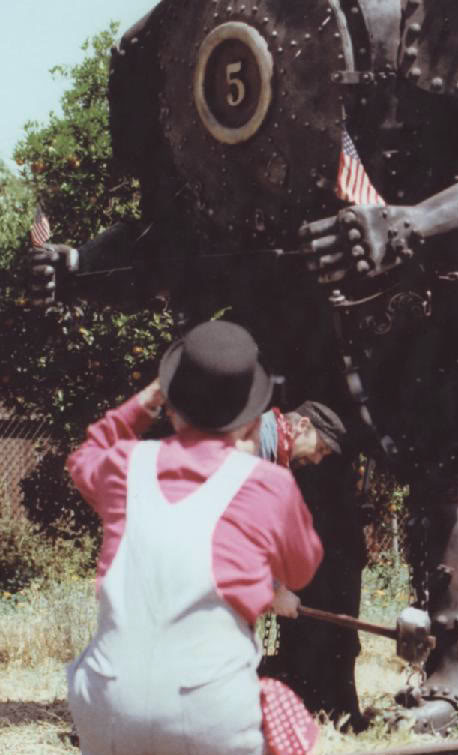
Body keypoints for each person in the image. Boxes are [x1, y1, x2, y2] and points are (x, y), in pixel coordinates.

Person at [66, 319, 324, 755]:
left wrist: (148, 397)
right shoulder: (268, 485)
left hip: (107, 708)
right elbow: (300, 569)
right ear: (249, 418)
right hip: (210, 713)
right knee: (282, 711)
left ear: (173, 405)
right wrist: (269, 590)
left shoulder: (124, 467)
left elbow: (85, 454)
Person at [258, 400, 346, 469]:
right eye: (320, 449)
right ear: (303, 425)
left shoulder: (273, 450)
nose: (316, 461)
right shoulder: (261, 440)